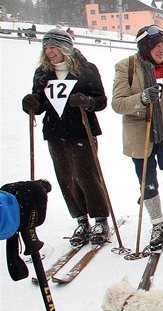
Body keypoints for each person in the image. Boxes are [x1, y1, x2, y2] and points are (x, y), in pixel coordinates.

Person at [21, 29, 110, 247]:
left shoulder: (87, 70)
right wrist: (32, 103)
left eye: (53, 46)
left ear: (65, 48)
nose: (49, 51)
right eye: (46, 47)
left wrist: (86, 101)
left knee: (87, 175)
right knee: (66, 177)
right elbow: (41, 104)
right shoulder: (42, 73)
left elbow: (101, 100)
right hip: (56, 132)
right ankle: (80, 219)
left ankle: (100, 219)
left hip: (82, 130)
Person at [112, 25, 163, 250]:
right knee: (147, 184)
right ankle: (157, 224)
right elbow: (118, 103)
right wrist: (141, 98)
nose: (161, 50)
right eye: (157, 45)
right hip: (141, 135)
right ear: (145, 46)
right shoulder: (126, 67)